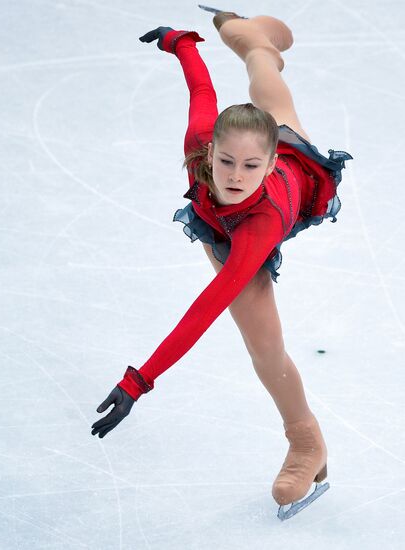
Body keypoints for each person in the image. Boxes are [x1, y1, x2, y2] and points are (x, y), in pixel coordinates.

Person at [91, 10, 352, 518]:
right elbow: (202, 94)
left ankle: (305, 441)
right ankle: (245, 33)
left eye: (251, 165)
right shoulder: (202, 145)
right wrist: (181, 43)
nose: (235, 175)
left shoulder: (262, 221)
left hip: (265, 214)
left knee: (264, 346)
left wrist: (137, 381)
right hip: (219, 222)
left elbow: (206, 308)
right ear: (210, 153)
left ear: (271, 163)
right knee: (261, 76)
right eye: (226, 161)